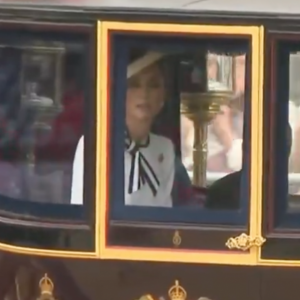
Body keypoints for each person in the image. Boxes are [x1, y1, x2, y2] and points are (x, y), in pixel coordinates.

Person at [71, 51, 195, 207]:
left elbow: (164, 212)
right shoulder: (97, 144)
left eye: (154, 85)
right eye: (134, 84)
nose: (144, 93)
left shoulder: (164, 148)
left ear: (163, 96)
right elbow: (85, 213)